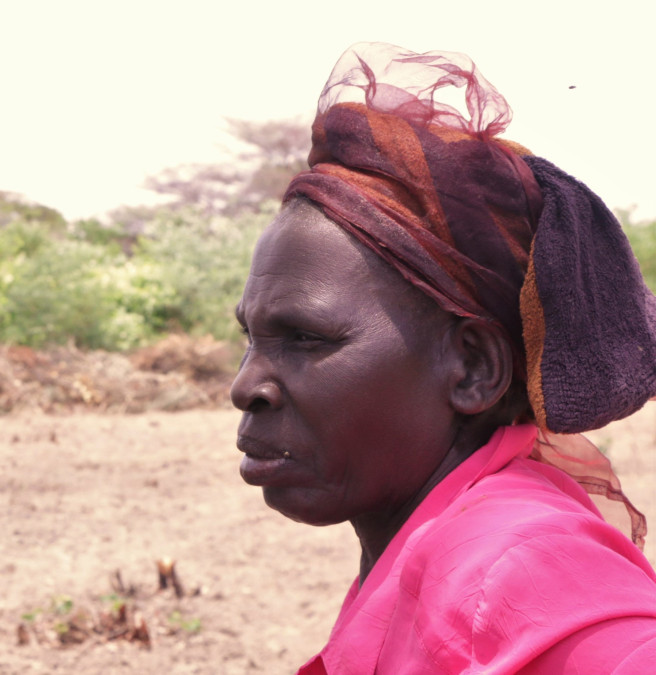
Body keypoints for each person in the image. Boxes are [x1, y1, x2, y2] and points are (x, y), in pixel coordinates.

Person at [232, 42, 656, 673]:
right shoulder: (429, 547)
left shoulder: (515, 566)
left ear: (473, 368)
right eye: (252, 338)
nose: (246, 388)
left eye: (306, 339)